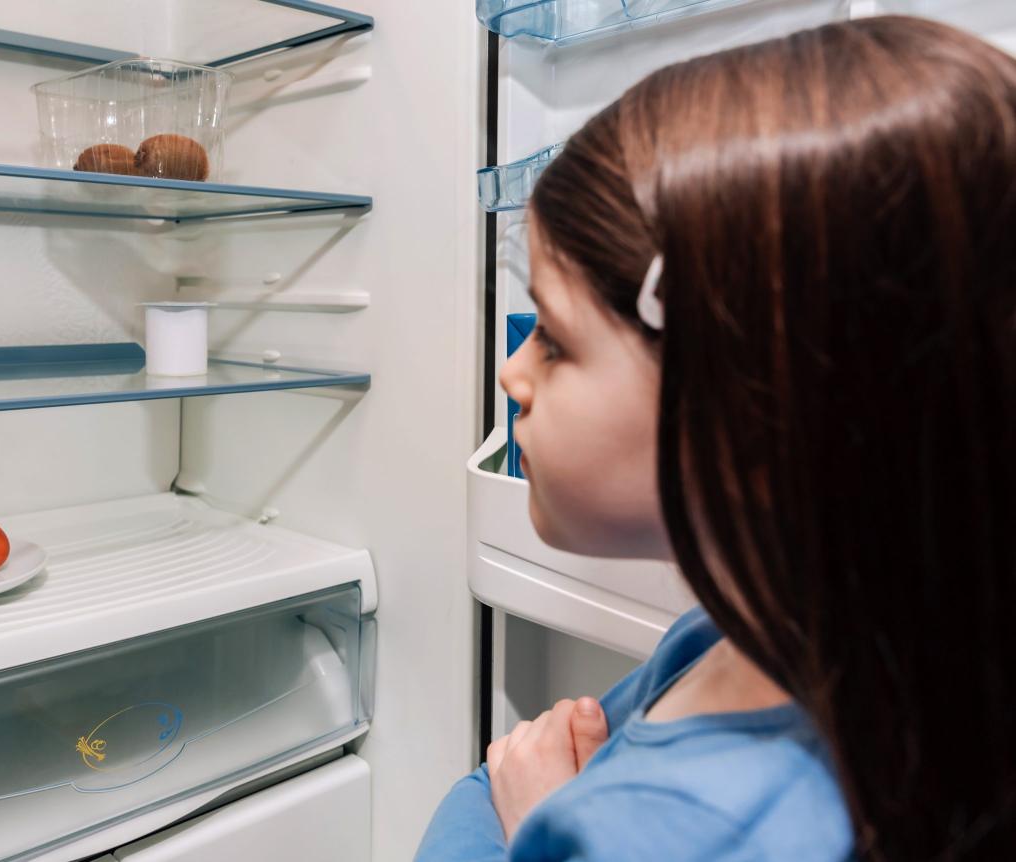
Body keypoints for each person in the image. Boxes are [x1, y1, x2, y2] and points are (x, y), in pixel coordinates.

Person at [417, 15, 1016, 861]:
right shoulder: (749, 634)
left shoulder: (662, 832)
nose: (513, 374)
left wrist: (535, 829)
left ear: (753, 402)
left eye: (554, 338)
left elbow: (490, 789)